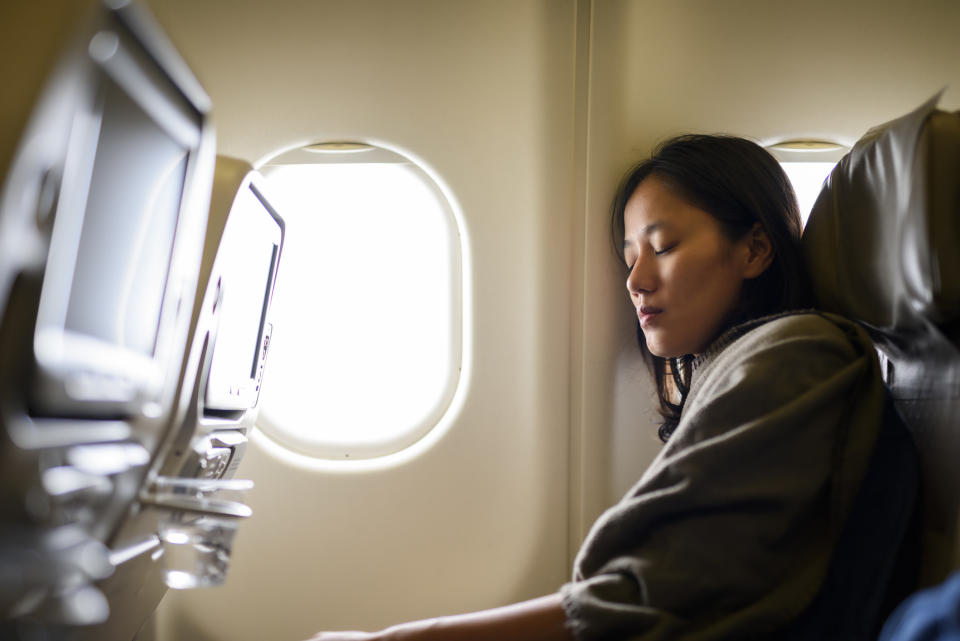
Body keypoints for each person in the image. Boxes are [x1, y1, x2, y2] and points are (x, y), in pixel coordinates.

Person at [308, 134, 916, 641]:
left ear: (756, 248)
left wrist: (397, 639)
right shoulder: (734, 368)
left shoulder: (797, 356)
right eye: (629, 256)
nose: (635, 281)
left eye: (663, 246)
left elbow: (653, 597)